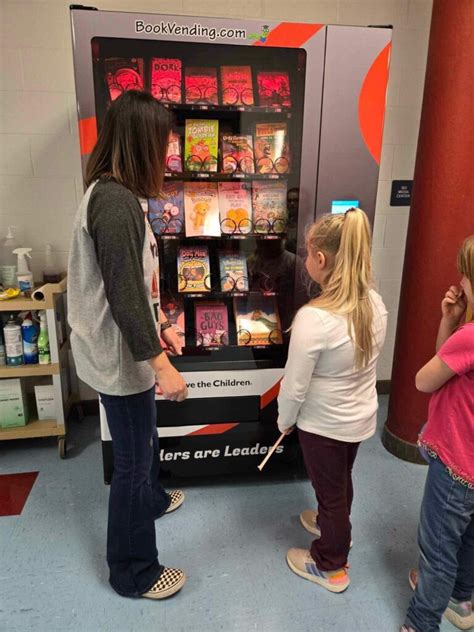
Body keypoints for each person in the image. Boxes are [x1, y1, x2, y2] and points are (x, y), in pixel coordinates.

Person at [68, 91, 188, 600]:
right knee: (134, 463)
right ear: (141, 143)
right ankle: (134, 571)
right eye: (161, 144)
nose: (166, 156)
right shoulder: (115, 203)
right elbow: (122, 296)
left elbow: (136, 286)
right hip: (120, 357)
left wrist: (162, 323)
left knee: (144, 441)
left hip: (117, 347)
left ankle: (154, 498)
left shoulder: (112, 192)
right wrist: (161, 364)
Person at [277, 208, 387, 593]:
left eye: (308, 254)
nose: (305, 261)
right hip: (359, 419)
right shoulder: (374, 304)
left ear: (320, 260)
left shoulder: (314, 318)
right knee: (341, 481)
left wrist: (284, 420)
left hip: (323, 425)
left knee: (331, 491)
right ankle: (335, 525)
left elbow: (294, 386)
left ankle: (330, 563)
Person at [401, 236, 474, 632]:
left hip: (456, 466)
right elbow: (451, 364)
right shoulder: (466, 336)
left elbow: (425, 379)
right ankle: (461, 601)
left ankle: (421, 621)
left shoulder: (471, 336)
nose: (458, 280)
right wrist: (451, 318)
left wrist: (456, 324)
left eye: (464, 274)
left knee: (438, 550)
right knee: (469, 541)